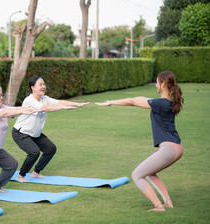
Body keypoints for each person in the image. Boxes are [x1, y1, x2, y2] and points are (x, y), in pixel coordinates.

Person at [95, 71, 184, 211]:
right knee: (150, 173)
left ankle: (158, 206)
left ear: (163, 84)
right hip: (177, 147)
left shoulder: (160, 104)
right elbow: (141, 98)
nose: (155, 85)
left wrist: (110, 103)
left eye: (157, 82)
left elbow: (132, 102)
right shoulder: (168, 102)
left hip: (169, 149)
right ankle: (168, 202)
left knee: (137, 175)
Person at [12, 76, 90, 182]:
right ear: (32, 87)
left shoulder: (45, 98)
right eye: (40, 84)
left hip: (35, 133)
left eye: (44, 84)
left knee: (50, 148)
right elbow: (45, 108)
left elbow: (59, 102)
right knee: (34, 152)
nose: (43, 86)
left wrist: (77, 104)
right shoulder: (29, 100)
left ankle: (36, 173)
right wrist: (62, 108)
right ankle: (21, 175)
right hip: (21, 133)